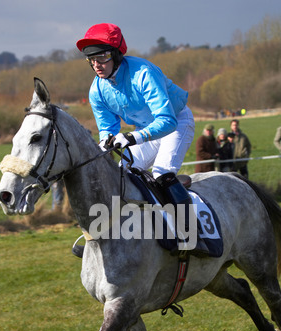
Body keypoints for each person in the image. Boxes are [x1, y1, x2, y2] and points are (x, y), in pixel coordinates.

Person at [74, 23, 205, 257]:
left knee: (162, 173)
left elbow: (167, 121)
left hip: (176, 122)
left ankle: (192, 235)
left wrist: (133, 136)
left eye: (101, 57)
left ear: (115, 54)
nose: (96, 64)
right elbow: (107, 128)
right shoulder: (97, 90)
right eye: (91, 59)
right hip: (145, 131)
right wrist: (106, 141)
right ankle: (99, 235)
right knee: (117, 174)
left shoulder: (144, 73)